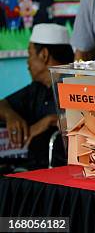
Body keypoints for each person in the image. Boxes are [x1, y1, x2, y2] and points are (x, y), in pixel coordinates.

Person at [0, 23, 73, 170]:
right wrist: (11, 115)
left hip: (63, 173)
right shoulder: (37, 88)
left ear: (44, 55)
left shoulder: (76, 85)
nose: (27, 63)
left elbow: (83, 123)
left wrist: (51, 120)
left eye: (30, 55)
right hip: (32, 168)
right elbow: (3, 104)